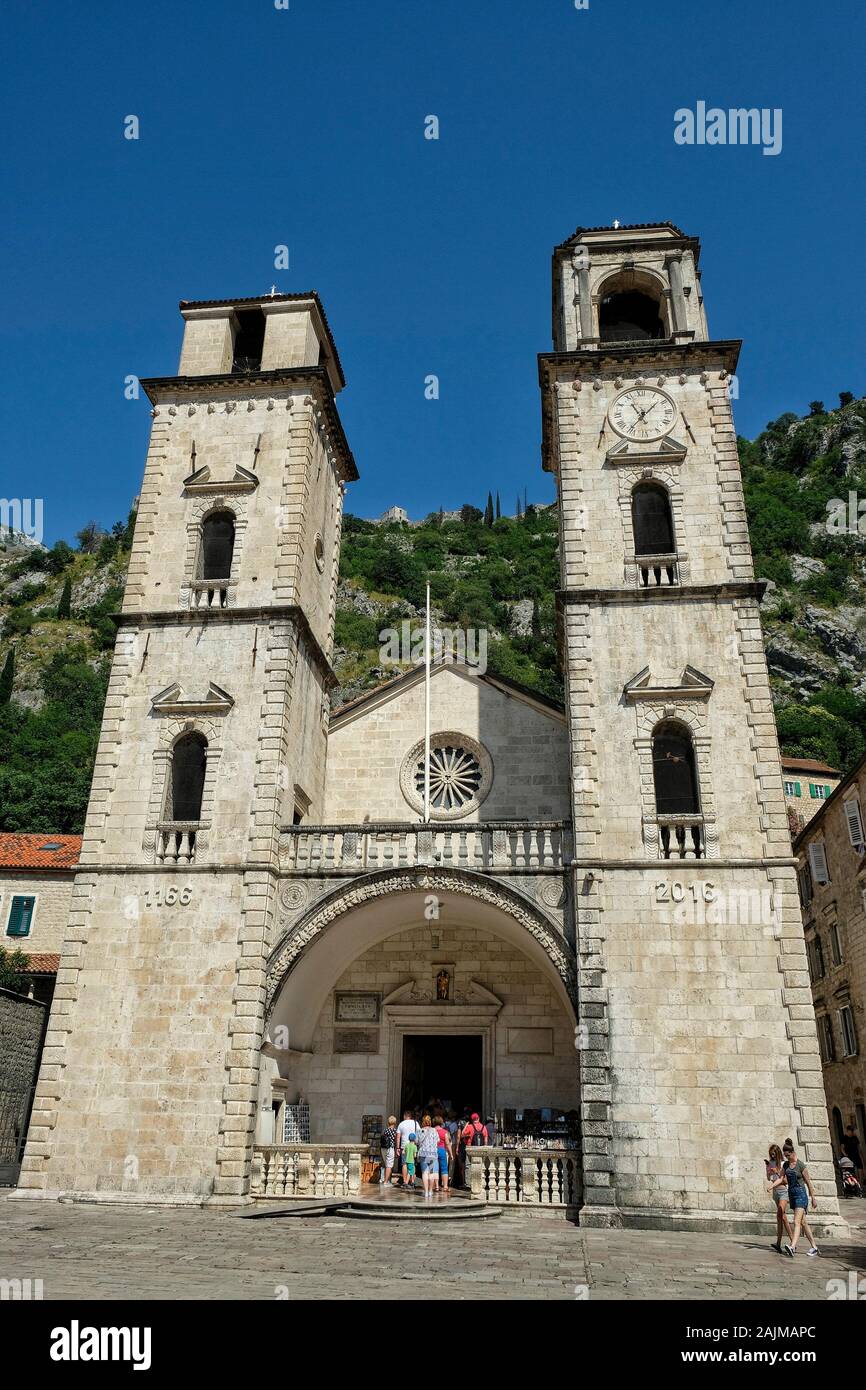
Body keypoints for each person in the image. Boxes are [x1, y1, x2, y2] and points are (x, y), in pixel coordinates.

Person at [781, 1138, 819, 1257]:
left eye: (788, 1155)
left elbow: (808, 1182)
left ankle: (792, 1247)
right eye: (785, 1156)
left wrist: (813, 1197)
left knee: (796, 1221)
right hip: (792, 1194)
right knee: (803, 1222)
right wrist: (772, 1185)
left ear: (792, 1153)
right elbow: (782, 1178)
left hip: (801, 1195)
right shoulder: (786, 1165)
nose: (787, 1158)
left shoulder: (800, 1165)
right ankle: (814, 1247)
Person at [765, 1143, 793, 1252]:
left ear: (777, 1154)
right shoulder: (770, 1163)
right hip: (775, 1193)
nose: (772, 1156)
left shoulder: (783, 1164)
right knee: (783, 1217)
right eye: (770, 1154)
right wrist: (768, 1170)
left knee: (780, 1214)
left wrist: (777, 1172)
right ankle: (779, 1243)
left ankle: (792, 1242)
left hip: (783, 1191)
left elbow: (785, 1181)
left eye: (773, 1154)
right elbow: (769, 1178)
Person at [416, 1114, 440, 1199]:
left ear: (423, 1122)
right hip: (432, 1154)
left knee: (425, 1172)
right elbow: (438, 1141)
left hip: (423, 1153)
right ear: (430, 1122)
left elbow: (416, 1142)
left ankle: (426, 1192)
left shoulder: (419, 1131)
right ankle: (430, 1191)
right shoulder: (434, 1130)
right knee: (432, 1172)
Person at [395, 1109, 417, 1184]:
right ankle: (412, 1180)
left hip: (404, 1147)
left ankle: (405, 1181)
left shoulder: (401, 1124)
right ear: (410, 1116)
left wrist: (397, 1148)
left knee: (404, 1164)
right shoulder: (415, 1123)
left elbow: (398, 1137)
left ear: (405, 1116)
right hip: (413, 1146)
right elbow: (420, 1134)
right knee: (413, 1164)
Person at [434, 1113, 453, 1192]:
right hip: (442, 1150)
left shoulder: (432, 1131)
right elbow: (448, 1144)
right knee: (444, 1169)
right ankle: (445, 1186)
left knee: (435, 1169)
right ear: (441, 1122)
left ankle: (437, 1187)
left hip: (433, 1151)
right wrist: (451, 1154)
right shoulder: (445, 1132)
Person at [380, 1115, 398, 1186]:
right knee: (389, 1165)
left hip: (383, 1148)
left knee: (386, 1164)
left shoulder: (385, 1130)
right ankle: (386, 1182)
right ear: (395, 1122)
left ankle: (387, 1180)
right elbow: (396, 1141)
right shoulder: (395, 1131)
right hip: (390, 1148)